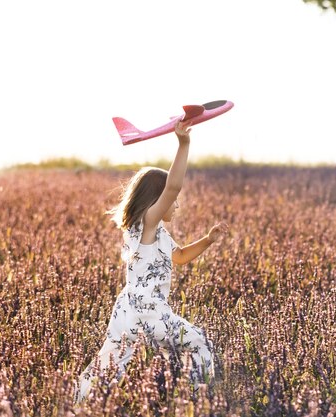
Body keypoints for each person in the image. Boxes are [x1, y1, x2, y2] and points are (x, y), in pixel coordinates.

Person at [75, 120, 229, 402]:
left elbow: (180, 257)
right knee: (198, 343)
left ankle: (78, 401)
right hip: (150, 312)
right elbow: (173, 186)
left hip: (126, 311)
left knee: (108, 362)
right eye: (174, 200)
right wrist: (184, 144)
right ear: (157, 200)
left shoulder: (153, 232)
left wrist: (207, 240)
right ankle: (195, 399)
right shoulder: (148, 223)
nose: (178, 205)